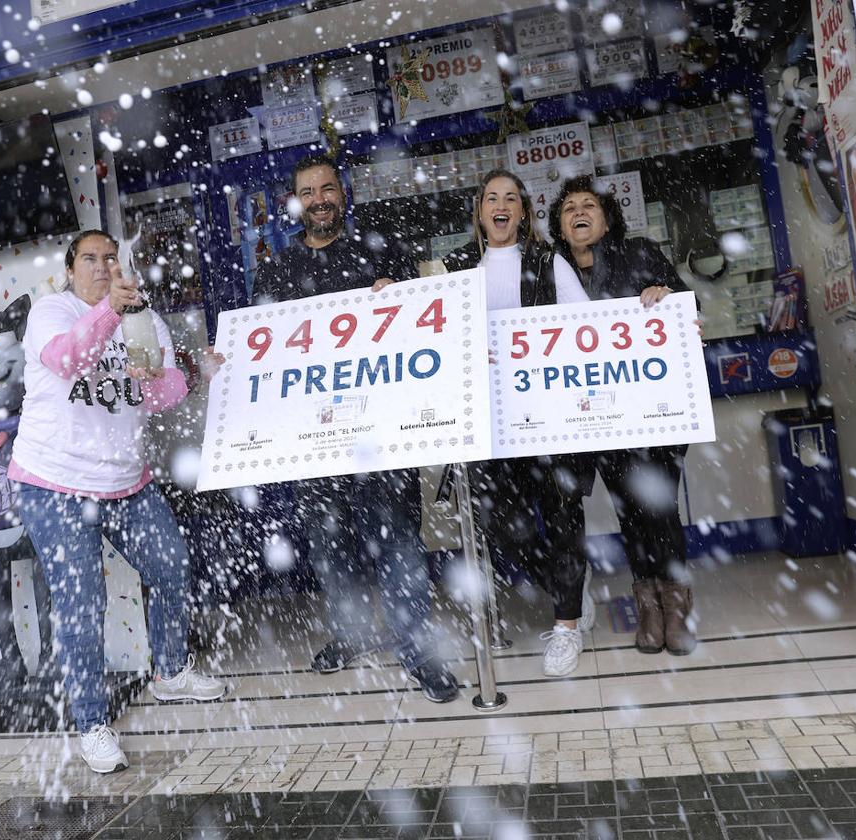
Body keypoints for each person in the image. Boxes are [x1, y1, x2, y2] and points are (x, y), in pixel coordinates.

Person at [9, 229, 225, 774]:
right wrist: (108, 310)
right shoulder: (50, 312)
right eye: (91, 258)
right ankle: (90, 722)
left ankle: (171, 672)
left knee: (171, 565)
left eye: (111, 257)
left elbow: (168, 389)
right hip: (53, 482)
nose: (103, 265)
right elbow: (67, 361)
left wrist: (159, 379)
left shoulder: (141, 316)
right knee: (82, 605)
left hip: (125, 479)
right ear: (70, 267)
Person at [252, 153, 459, 703]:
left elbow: (424, 325)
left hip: (383, 433)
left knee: (400, 547)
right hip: (315, 441)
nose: (319, 199)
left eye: (327, 188)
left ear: (342, 193)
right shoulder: (277, 270)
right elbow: (261, 351)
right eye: (308, 191)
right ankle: (350, 635)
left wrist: (404, 296)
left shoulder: (382, 250)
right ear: (295, 203)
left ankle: (419, 651)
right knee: (328, 548)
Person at [440, 169, 594, 678]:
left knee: (564, 514)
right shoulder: (457, 267)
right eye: (491, 198)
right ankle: (565, 585)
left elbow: (585, 324)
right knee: (503, 527)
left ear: (523, 210)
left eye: (511, 198)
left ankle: (567, 626)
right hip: (490, 420)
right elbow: (436, 337)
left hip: (550, 416)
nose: (501, 206)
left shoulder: (550, 261)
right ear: (480, 210)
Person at [544, 175, 697, 656]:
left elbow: (688, 311)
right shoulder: (551, 272)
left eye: (589, 205)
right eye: (569, 208)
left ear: (607, 218)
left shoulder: (642, 253)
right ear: (560, 227)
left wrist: (664, 293)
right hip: (595, 419)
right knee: (630, 512)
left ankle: (676, 608)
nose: (579, 212)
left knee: (660, 506)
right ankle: (647, 602)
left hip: (652, 413)